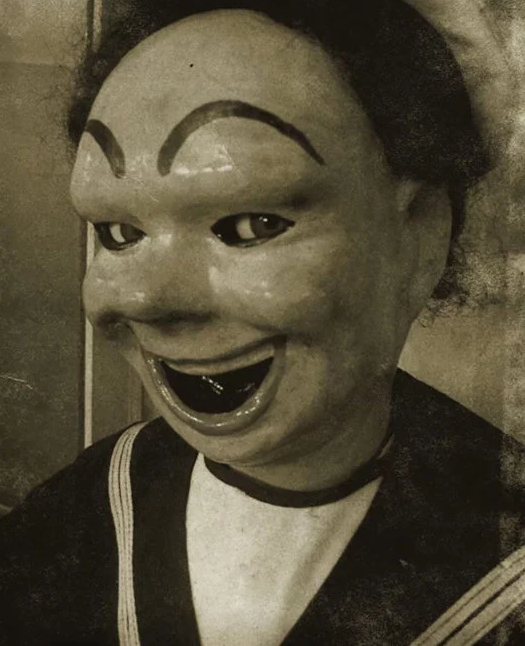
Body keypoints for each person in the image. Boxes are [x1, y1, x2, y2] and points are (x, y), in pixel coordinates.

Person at [0, 1, 523, 644]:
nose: (146, 300)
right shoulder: (83, 510)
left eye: (250, 225)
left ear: (419, 234)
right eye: (118, 233)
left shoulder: (503, 549)